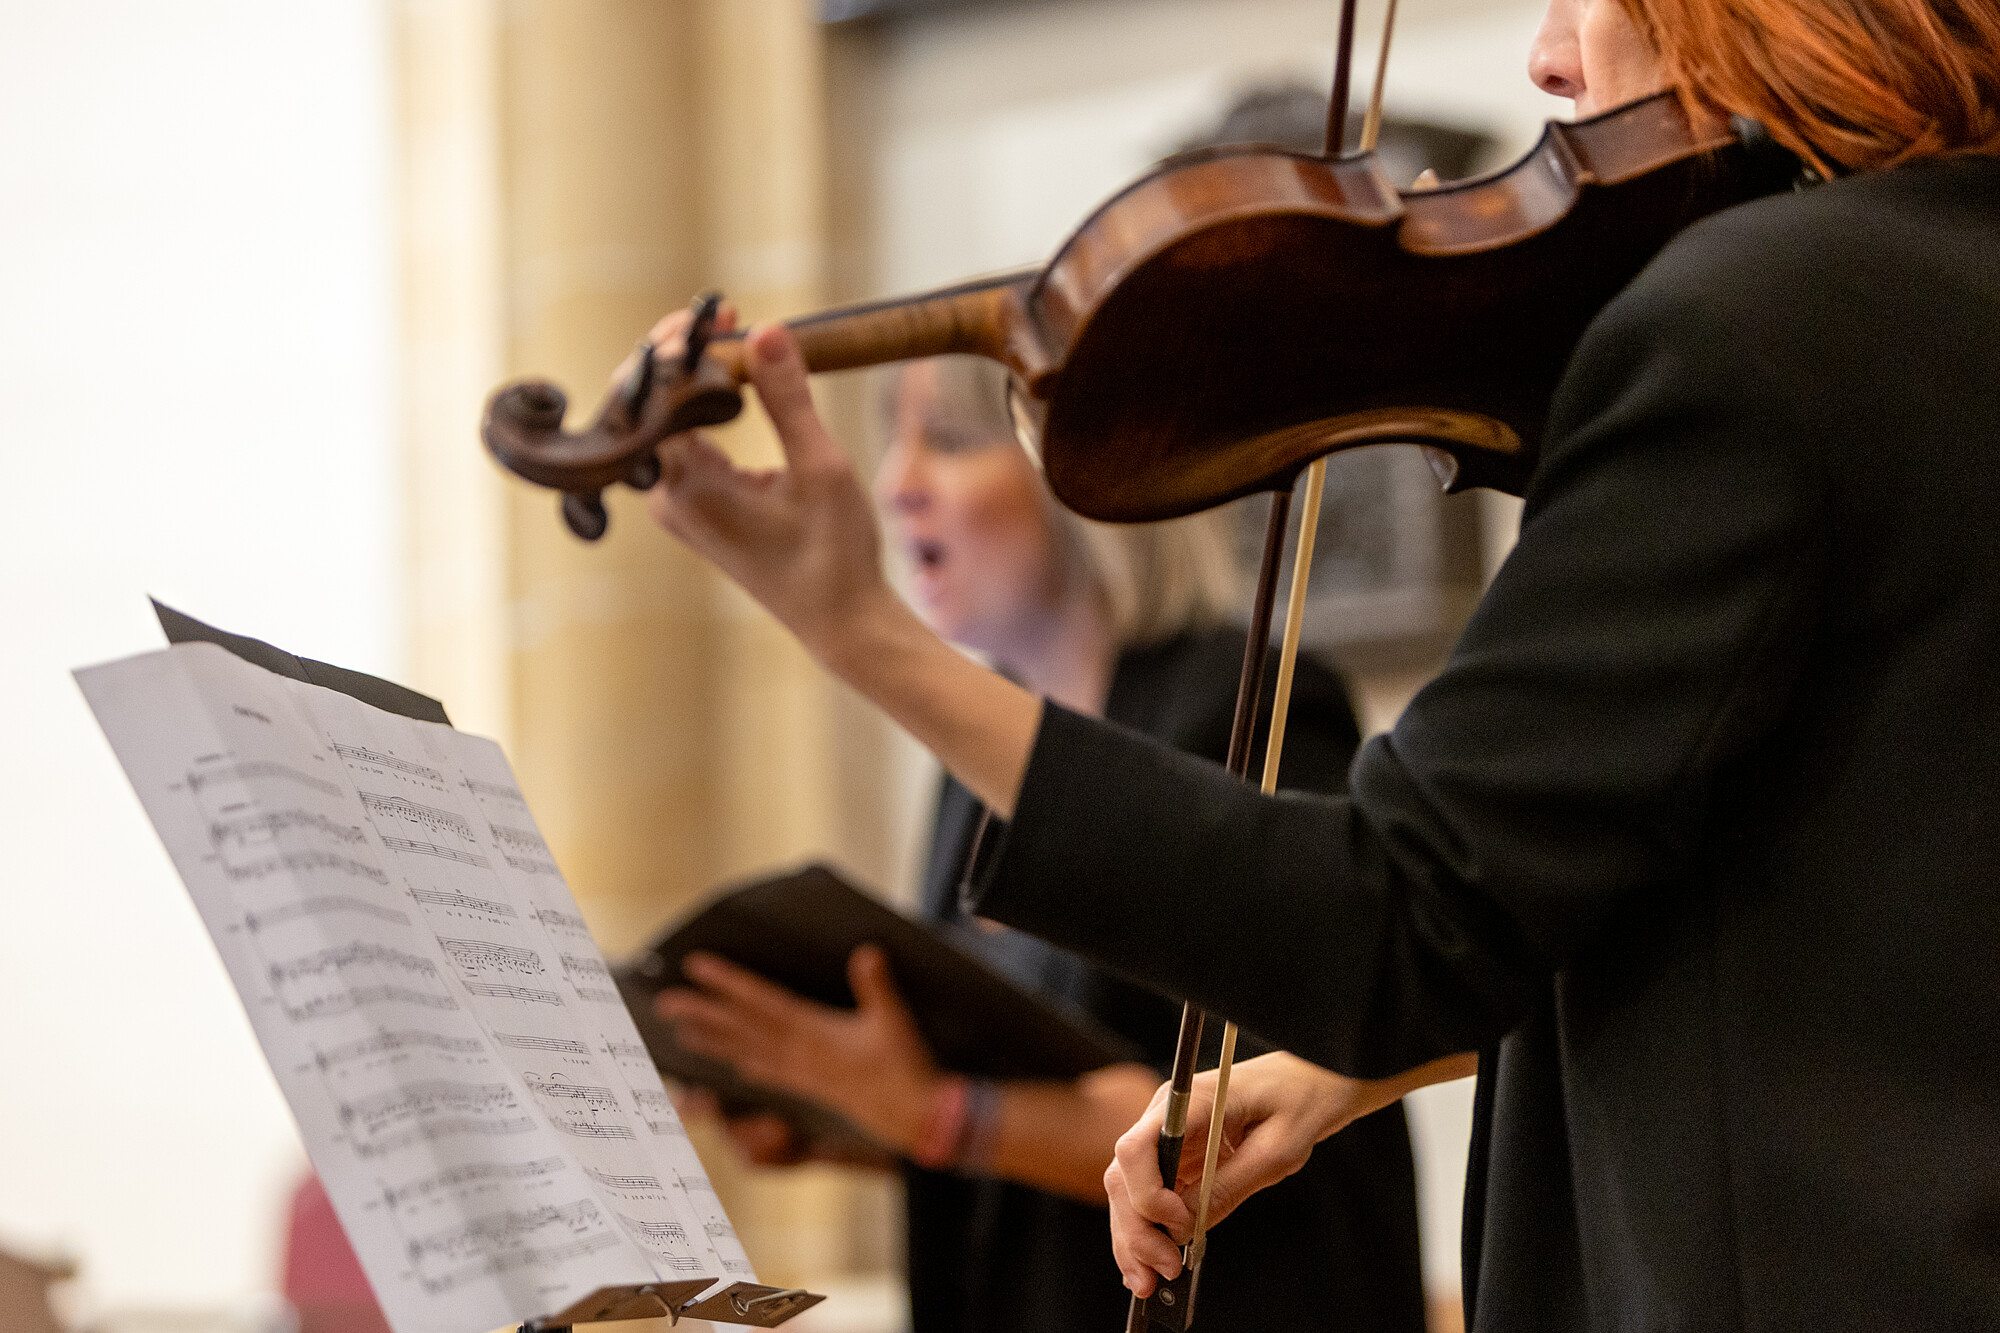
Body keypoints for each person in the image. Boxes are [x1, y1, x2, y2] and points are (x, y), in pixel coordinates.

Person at [638, 0, 2000, 1324]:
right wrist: (1352, 1073)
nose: (1546, 55)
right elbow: (1829, 919)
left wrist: (852, 625)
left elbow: (1396, 913)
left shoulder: (1756, 322)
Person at [656, 357, 1428, 1333]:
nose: (896, 481)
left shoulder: (1248, 706)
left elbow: (1262, 1125)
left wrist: (932, 1113)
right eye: (895, 437)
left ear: (1095, 473)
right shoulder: (969, 773)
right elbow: (1003, 1095)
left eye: (950, 439)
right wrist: (830, 1103)